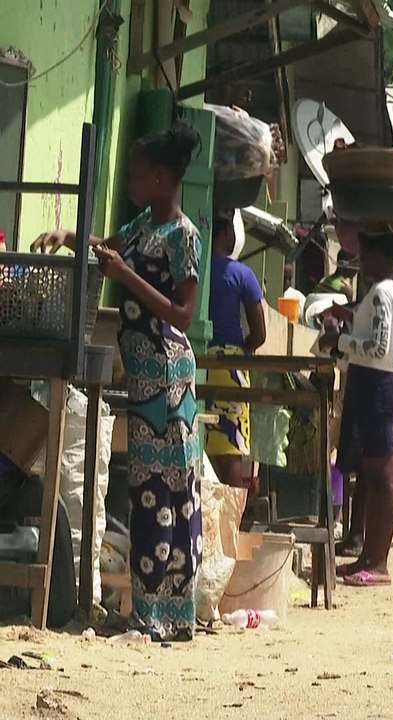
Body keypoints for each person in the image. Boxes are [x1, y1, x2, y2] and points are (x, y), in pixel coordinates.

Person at [35, 125, 205, 641]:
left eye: (135, 174)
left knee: (169, 491)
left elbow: (184, 313)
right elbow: (107, 247)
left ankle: (166, 616)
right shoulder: (141, 228)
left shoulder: (184, 236)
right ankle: (151, 612)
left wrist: (126, 275)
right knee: (148, 491)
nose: (130, 181)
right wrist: (70, 239)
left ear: (159, 177)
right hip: (146, 380)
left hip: (170, 380)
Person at [321, 230, 393, 587]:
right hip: (369, 383)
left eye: (366, 254)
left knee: (381, 477)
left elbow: (380, 348)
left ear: (380, 256)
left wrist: (337, 340)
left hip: (378, 385)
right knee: (371, 477)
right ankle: (367, 556)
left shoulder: (384, 293)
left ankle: (379, 563)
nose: (362, 262)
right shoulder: (390, 293)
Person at [205, 215, 267, 489]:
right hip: (230, 364)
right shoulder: (241, 274)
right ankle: (231, 525)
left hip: (194, 358)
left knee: (199, 444)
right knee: (231, 448)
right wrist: (242, 350)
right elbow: (260, 333)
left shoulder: (196, 268)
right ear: (224, 233)